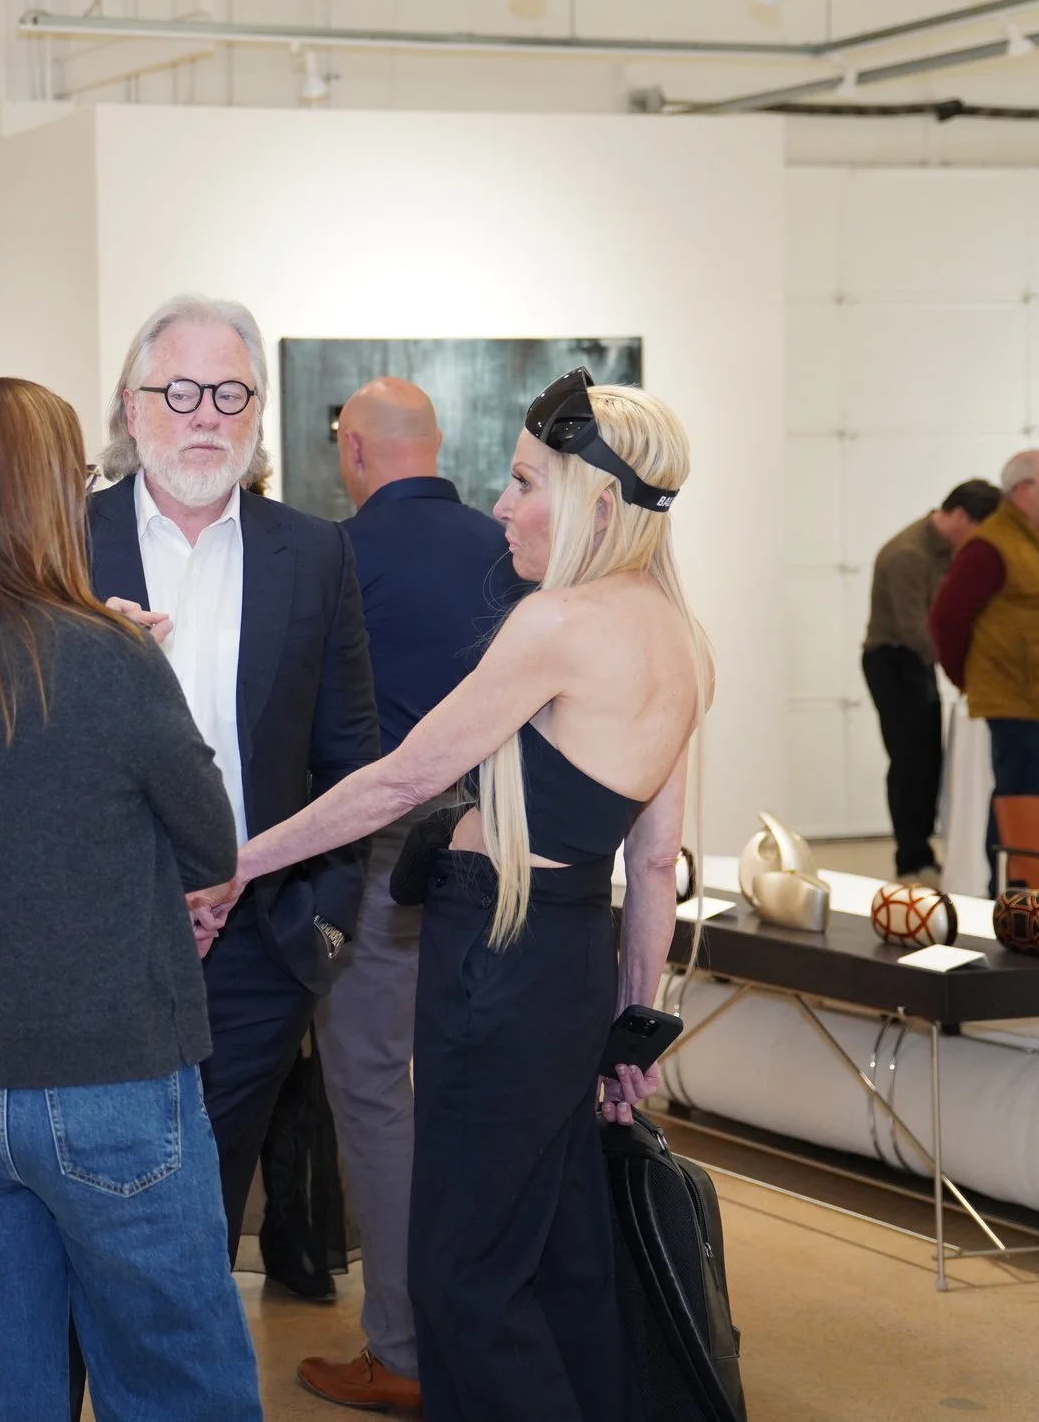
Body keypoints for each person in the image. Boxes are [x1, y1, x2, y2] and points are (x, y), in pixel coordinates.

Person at [193, 370, 710, 1422]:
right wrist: (628, 1029)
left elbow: (399, 778)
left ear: (594, 505)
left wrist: (241, 860)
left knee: (462, 1271)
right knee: (557, 1253)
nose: (501, 507)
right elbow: (653, 864)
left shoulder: (557, 623)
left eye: (524, 483)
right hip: (569, 965)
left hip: (495, 957)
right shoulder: (682, 638)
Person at [0, 376, 263, 1422]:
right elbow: (209, 843)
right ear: (41, 493)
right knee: (176, 1385)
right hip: (107, 1073)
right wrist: (142, 664)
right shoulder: (109, 657)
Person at [85, 294, 381, 1281]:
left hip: (260, 946)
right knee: (91, 1203)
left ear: (257, 413)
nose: (204, 413)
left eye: (228, 392)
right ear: (131, 408)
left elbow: (349, 753)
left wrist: (324, 930)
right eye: (178, 390)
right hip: (88, 939)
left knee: (198, 1213)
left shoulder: (314, 551)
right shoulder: (57, 546)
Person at [295, 377, 518, 1415]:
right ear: (439, 444)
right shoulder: (508, 548)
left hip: (384, 852)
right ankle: (483, 1332)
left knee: (377, 1093)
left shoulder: (333, 555)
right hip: (503, 849)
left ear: (353, 451)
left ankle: (400, 1346)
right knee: (479, 1095)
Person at [929, 449, 1039, 862]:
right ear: (1022, 490)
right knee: (1021, 804)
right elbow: (946, 618)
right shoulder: (990, 546)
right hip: (1020, 702)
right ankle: (1008, 899)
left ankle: (1034, 899)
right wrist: (969, 678)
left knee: (1035, 804)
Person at [865, 481, 999, 879]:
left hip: (915, 661)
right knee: (910, 761)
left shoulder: (945, 549)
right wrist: (965, 669)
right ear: (960, 516)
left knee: (928, 760)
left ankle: (920, 853)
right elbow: (915, 631)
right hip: (892, 662)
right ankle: (911, 858)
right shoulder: (909, 554)